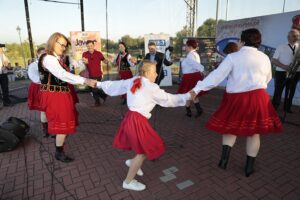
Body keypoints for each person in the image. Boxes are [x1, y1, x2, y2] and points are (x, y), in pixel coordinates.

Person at [192, 28, 282, 177]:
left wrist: (197, 88)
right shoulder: (265, 57)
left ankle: (224, 160)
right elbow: (268, 78)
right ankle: (248, 168)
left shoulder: (233, 57)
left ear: (242, 41)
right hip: (259, 98)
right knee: (254, 133)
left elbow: (216, 77)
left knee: (230, 128)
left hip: (236, 98)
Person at [97, 60, 192, 191]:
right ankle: (128, 181)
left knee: (149, 146)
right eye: (154, 71)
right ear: (147, 73)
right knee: (144, 151)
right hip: (137, 121)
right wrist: (187, 96)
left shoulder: (135, 79)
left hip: (131, 118)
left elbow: (115, 85)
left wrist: (98, 84)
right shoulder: (151, 87)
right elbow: (168, 99)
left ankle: (133, 162)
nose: (156, 74)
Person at [38, 32, 97, 162]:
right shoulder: (48, 58)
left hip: (59, 93)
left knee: (62, 122)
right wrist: (85, 80)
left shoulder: (54, 58)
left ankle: (59, 145)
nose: (64, 48)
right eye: (62, 45)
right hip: (56, 95)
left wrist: (82, 65)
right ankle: (59, 152)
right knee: (62, 122)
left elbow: (66, 72)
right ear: (53, 42)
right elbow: (62, 74)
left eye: (65, 45)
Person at [272, 29, 300, 113]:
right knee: (278, 91)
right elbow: (273, 60)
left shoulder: (299, 46)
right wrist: (285, 67)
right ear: (288, 37)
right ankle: (274, 108)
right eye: (294, 36)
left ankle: (287, 108)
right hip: (281, 72)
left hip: (295, 72)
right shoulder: (281, 46)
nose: (297, 38)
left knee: (291, 91)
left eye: (298, 36)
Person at [178, 39, 205, 117]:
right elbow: (193, 64)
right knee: (191, 94)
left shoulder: (190, 55)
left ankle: (195, 110)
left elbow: (195, 64)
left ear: (189, 46)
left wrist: (203, 70)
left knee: (190, 94)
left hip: (190, 77)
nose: (185, 47)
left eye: (186, 46)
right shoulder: (194, 54)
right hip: (193, 76)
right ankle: (190, 110)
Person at [27, 47, 50, 137]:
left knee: (52, 108)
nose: (44, 55)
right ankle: (46, 129)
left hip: (50, 87)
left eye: (46, 53)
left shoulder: (50, 64)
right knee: (44, 110)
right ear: (38, 54)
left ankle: (53, 127)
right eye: (42, 53)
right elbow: (34, 78)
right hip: (39, 88)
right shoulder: (33, 65)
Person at [82, 40, 108, 106]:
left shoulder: (98, 53)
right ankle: (103, 96)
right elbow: (83, 63)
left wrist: (107, 61)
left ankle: (97, 102)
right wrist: (84, 62)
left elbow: (104, 61)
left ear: (93, 45)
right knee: (92, 89)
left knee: (94, 89)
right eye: (88, 46)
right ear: (86, 47)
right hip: (90, 74)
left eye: (91, 45)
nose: (90, 47)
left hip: (98, 74)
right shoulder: (84, 54)